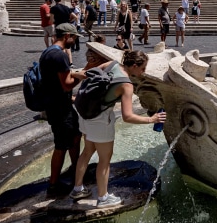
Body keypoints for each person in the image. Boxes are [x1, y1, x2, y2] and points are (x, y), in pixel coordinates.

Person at [70, 50, 166, 207]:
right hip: (100, 119)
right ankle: (103, 198)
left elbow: (86, 74)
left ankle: (77, 188)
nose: (144, 72)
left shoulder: (111, 64)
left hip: (85, 112)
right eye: (142, 68)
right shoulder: (126, 85)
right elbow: (128, 116)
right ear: (134, 66)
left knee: (87, 152)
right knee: (105, 161)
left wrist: (71, 75)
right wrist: (151, 119)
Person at [38, 23, 81, 195]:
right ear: (67, 36)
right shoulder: (59, 56)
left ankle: (76, 169)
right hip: (59, 108)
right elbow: (66, 84)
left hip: (57, 104)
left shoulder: (48, 52)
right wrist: (82, 76)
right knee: (61, 145)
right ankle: (53, 185)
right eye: (75, 37)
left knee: (75, 136)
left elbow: (53, 82)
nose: (75, 41)